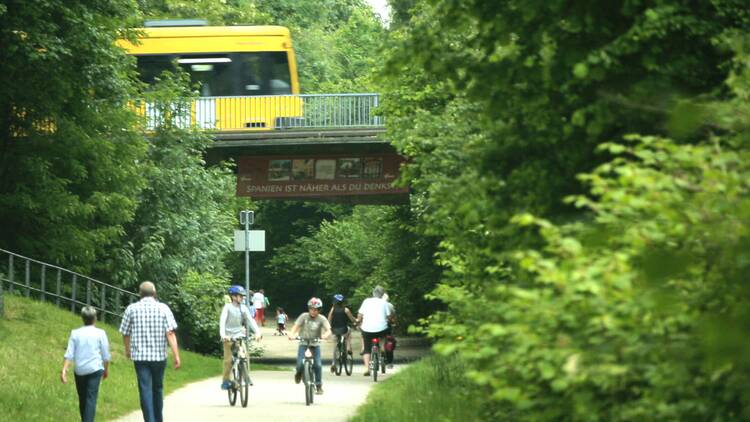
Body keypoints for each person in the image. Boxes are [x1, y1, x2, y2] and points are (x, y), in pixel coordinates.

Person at [119, 281, 181, 422]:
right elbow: (170, 333)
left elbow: (125, 333)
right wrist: (176, 355)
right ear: (155, 293)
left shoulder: (131, 309)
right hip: (159, 357)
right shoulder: (163, 308)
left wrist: (128, 350)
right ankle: (158, 419)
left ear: (140, 294)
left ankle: (149, 420)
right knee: (158, 388)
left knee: (145, 389)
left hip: (140, 357)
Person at [61, 306, 111, 422]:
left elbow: (69, 353)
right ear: (95, 318)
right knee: (91, 399)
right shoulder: (100, 333)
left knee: (83, 399)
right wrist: (106, 370)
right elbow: (106, 356)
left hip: (80, 370)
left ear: (82, 318)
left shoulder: (75, 333)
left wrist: (64, 370)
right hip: (95, 369)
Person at [219, 285, 261, 390]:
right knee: (228, 360)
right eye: (240, 296)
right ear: (233, 297)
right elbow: (222, 322)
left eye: (243, 296)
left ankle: (246, 377)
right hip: (228, 337)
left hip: (239, 336)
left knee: (244, 356)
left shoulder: (243, 308)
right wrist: (223, 335)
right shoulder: (227, 307)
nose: (242, 298)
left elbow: (250, 320)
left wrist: (257, 332)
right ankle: (225, 381)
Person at [288, 297, 331, 394]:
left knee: (318, 365)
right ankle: (298, 373)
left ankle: (319, 385)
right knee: (299, 364)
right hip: (303, 343)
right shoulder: (303, 316)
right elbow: (296, 326)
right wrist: (291, 334)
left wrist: (325, 335)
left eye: (315, 310)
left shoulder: (322, 318)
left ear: (319, 310)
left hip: (315, 344)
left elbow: (329, 330)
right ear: (308, 309)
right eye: (311, 309)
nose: (313, 311)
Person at [356, 285, 392, 376]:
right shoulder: (384, 303)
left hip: (367, 329)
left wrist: (358, 321)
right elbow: (389, 316)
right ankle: (383, 349)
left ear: (373, 293)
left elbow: (360, 315)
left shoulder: (366, 301)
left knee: (367, 349)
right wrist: (390, 321)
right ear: (382, 294)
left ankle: (367, 369)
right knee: (384, 336)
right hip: (381, 329)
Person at [327, 293, 357, 372]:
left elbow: (329, 318)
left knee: (335, 344)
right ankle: (348, 348)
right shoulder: (346, 310)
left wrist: (329, 327)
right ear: (343, 302)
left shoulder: (332, 309)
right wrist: (356, 321)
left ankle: (333, 363)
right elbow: (352, 319)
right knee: (348, 333)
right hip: (344, 329)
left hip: (334, 330)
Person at [382, 293, 397, 369]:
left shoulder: (374, 305)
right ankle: (390, 362)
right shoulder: (390, 305)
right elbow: (393, 316)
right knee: (389, 342)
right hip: (387, 327)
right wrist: (394, 323)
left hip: (373, 328)